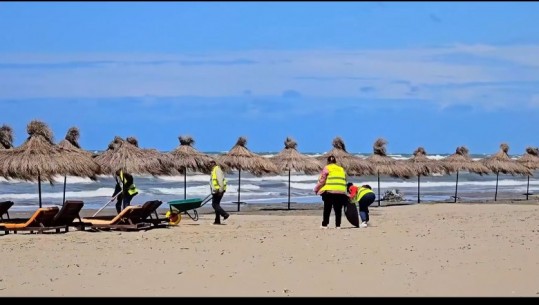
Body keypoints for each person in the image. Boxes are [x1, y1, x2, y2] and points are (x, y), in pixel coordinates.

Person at [314, 155, 349, 229]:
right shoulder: (341, 169)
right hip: (341, 191)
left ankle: (325, 225)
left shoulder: (327, 168)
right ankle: (338, 225)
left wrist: (316, 189)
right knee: (338, 209)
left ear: (328, 161)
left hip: (330, 191)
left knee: (327, 208)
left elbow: (322, 180)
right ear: (335, 162)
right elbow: (345, 179)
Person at [209, 160, 230, 225]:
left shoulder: (217, 170)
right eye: (210, 163)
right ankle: (217, 220)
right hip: (216, 190)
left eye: (211, 163)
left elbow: (220, 180)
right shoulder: (214, 170)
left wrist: (220, 190)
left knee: (214, 204)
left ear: (214, 164)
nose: (210, 164)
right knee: (217, 205)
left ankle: (225, 214)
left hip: (218, 191)